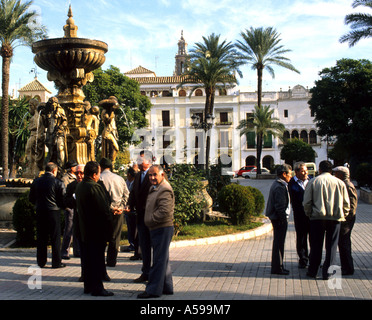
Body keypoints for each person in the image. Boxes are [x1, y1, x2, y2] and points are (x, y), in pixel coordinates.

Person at [303, 160, 350, 280]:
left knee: (316, 245)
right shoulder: (340, 183)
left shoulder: (313, 181)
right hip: (335, 218)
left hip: (317, 218)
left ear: (319, 169)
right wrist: (343, 214)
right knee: (332, 247)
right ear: (331, 170)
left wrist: (310, 214)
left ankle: (313, 271)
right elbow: (346, 203)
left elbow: (307, 202)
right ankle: (328, 273)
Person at [75, 161, 114, 296]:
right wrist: (110, 228)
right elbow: (103, 210)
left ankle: (89, 285)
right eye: (98, 173)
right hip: (96, 230)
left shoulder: (80, 186)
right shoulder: (94, 187)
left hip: (84, 229)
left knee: (88, 259)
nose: (99, 176)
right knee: (97, 259)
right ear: (93, 174)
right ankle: (98, 287)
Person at [138, 165, 174, 298]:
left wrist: (150, 220)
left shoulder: (164, 189)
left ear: (162, 175)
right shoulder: (154, 187)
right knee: (163, 259)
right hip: (156, 227)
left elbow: (165, 211)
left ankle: (153, 290)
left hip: (162, 228)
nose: (152, 177)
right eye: (150, 175)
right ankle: (166, 287)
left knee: (158, 260)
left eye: (155, 175)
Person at [29, 162, 66, 269]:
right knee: (55, 237)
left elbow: (31, 198)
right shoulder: (58, 182)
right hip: (54, 212)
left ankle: (41, 261)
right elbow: (62, 199)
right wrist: (62, 206)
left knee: (41, 237)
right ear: (54, 170)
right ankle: (56, 262)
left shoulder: (36, 181)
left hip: (40, 211)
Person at [99, 158, 130, 267]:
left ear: (100, 167)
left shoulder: (99, 178)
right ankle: (111, 261)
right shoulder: (120, 179)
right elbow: (126, 194)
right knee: (115, 237)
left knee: (101, 237)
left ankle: (100, 261)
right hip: (118, 211)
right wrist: (121, 207)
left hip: (103, 212)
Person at [127, 154, 152, 282]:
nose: (138, 163)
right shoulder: (137, 176)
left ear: (148, 161)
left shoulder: (154, 174)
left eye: (140, 160)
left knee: (152, 246)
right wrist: (129, 204)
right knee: (143, 244)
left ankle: (154, 274)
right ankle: (145, 272)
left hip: (152, 216)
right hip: (140, 216)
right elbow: (133, 192)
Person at [265, 164, 292, 275]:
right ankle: (277, 267)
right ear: (284, 174)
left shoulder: (279, 184)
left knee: (279, 242)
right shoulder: (279, 187)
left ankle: (278, 266)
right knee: (279, 243)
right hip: (279, 218)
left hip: (277, 218)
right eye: (290, 174)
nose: (291, 176)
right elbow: (279, 206)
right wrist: (283, 219)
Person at [333, 166, 358, 276]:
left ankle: (348, 268)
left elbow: (352, 205)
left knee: (344, 243)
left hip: (347, 220)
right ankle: (346, 266)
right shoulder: (344, 184)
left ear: (341, 174)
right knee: (343, 243)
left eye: (336, 173)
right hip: (345, 219)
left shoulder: (347, 185)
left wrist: (346, 219)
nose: (334, 175)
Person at [288, 162, 310, 268]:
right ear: (296, 172)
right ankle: (303, 259)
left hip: (312, 215)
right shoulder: (291, 183)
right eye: (302, 170)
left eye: (306, 170)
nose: (305, 172)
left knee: (314, 237)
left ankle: (314, 258)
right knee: (301, 238)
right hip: (299, 214)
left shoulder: (311, 181)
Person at [60, 160, 78, 260]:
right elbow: (64, 193)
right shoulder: (65, 179)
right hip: (70, 207)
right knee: (69, 229)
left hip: (77, 206)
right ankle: (65, 251)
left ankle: (77, 250)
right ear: (71, 168)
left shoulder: (78, 177)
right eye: (75, 167)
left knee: (77, 229)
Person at [122, 166, 139, 255]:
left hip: (133, 209)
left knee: (134, 229)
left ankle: (134, 245)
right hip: (129, 209)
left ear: (129, 174)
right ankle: (132, 244)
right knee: (131, 228)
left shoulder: (135, 183)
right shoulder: (128, 182)